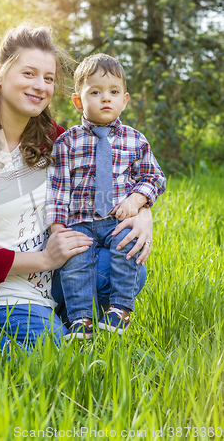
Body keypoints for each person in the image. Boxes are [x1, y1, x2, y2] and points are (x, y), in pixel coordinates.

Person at [0, 25, 154, 352]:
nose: (40, 86)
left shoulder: (56, 139)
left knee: (127, 267)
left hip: (55, 280)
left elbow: (113, 182)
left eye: (48, 78)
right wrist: (44, 259)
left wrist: (144, 211)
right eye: (29, 73)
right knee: (59, 366)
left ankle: (60, 321)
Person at [45, 53, 166, 340]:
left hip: (116, 219)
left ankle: (120, 309)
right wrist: (58, 229)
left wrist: (137, 200)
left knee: (128, 250)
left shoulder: (135, 140)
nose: (105, 99)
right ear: (78, 101)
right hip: (80, 222)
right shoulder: (67, 142)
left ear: (124, 100)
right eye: (95, 92)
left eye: (113, 92)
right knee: (75, 264)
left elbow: (153, 177)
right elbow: (59, 187)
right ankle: (80, 320)